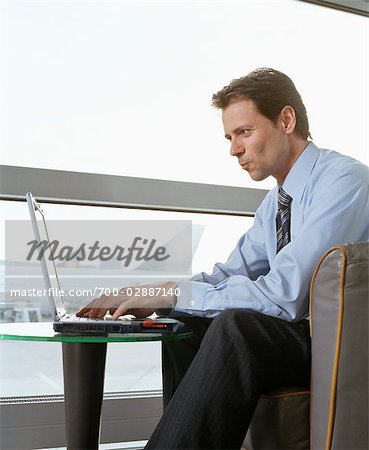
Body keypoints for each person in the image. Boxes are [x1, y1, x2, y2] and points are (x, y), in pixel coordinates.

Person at [77, 68, 369, 449]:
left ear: (286, 120)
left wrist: (177, 295)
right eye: (230, 137)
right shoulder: (274, 205)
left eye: (244, 132)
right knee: (183, 321)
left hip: (340, 342)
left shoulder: (343, 182)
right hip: (302, 335)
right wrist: (162, 292)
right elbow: (230, 273)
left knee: (236, 328)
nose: (234, 149)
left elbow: (284, 296)